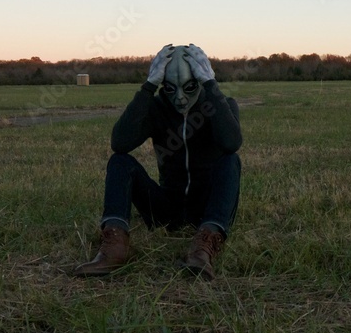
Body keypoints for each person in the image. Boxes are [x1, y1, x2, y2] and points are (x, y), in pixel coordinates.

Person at [74, 43, 242, 280]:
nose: (180, 98)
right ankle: (115, 247)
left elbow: (231, 143)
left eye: (189, 87)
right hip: (166, 208)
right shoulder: (156, 108)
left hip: (206, 207)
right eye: (170, 89)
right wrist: (148, 86)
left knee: (231, 160)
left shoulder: (219, 105)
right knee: (120, 162)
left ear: (201, 80)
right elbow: (120, 143)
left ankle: (205, 245)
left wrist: (211, 86)